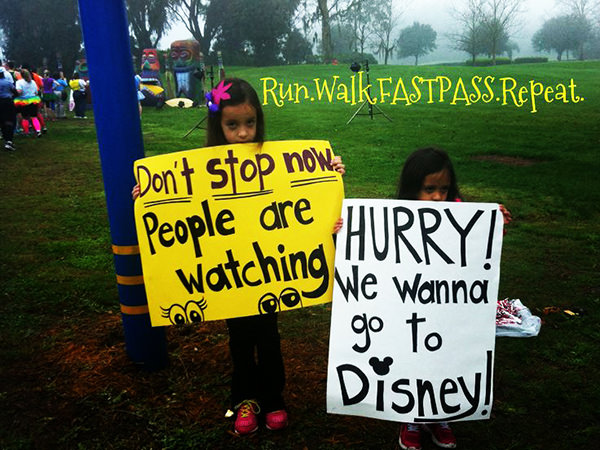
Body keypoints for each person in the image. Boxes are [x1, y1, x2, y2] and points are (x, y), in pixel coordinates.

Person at [133, 77, 345, 435]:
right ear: (218, 125)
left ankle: (273, 397)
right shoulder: (202, 170)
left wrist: (328, 175)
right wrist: (150, 194)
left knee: (269, 336)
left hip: (270, 274)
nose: (244, 133)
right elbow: (180, 211)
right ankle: (244, 398)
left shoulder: (276, 164)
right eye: (233, 125)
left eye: (250, 124)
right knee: (241, 340)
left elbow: (306, 200)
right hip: (229, 278)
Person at [396, 147, 511, 450]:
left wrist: (490, 226)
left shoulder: (458, 214)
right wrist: (349, 231)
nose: (437, 197)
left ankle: (440, 416)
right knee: (414, 360)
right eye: (428, 189)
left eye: (443, 189)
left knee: (445, 360)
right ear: (412, 189)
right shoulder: (393, 220)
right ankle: (412, 417)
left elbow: (474, 248)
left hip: (448, 310)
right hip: (412, 307)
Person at [14, 69, 43, 137]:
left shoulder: (19, 82)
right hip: (33, 100)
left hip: (23, 101)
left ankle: (26, 132)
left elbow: (19, 91)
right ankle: (38, 131)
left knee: (25, 117)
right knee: (34, 117)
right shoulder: (33, 82)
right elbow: (36, 92)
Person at [0, 66, 17, 150]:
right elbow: (16, 92)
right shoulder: (8, 82)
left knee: (2, 121)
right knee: (10, 121)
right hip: (7, 102)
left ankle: (3, 135)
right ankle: (9, 141)